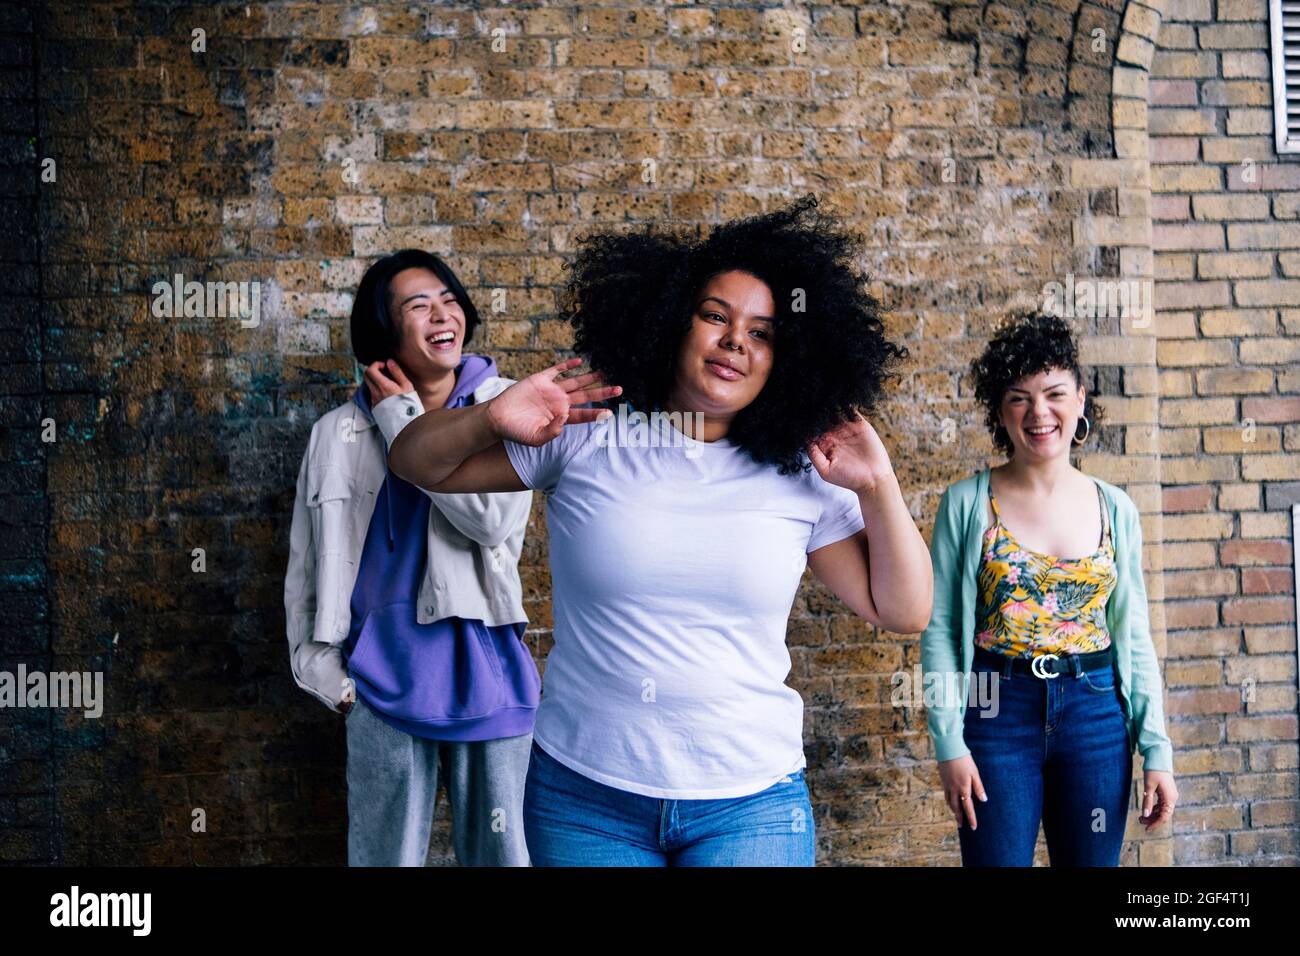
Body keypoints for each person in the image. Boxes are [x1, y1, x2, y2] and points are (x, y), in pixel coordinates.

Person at [379, 195, 934, 866]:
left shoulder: (803, 472)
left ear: (785, 357)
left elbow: (904, 610)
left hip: (749, 802)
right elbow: (413, 462)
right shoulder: (586, 433)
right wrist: (489, 418)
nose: (736, 341)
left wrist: (878, 485)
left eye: (762, 332)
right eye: (715, 317)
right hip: (585, 800)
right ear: (673, 322)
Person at [284, 249, 539, 866]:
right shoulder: (335, 433)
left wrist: (408, 425)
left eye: (449, 299)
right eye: (418, 305)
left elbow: (490, 521)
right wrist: (330, 680)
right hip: (378, 685)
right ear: (384, 331)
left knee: (504, 860)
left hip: (490, 675)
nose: (441, 314)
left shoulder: (507, 407)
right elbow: (306, 568)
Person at [920, 312, 1177, 866]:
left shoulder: (1116, 508)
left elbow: (1133, 636)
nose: (1039, 412)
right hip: (995, 713)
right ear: (1001, 412)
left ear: (1080, 400)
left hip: (1095, 715)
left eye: (1054, 393)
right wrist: (949, 742)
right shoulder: (966, 502)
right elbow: (939, 628)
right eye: (1019, 398)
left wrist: (1156, 749)